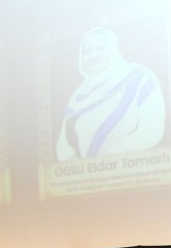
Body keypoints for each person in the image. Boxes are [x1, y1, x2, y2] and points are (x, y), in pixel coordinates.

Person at [55, 27, 165, 161]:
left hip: (134, 168)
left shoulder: (139, 77)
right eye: (88, 52)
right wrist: (78, 167)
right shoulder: (78, 96)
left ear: (114, 49)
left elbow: (151, 131)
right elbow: (64, 146)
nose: (94, 56)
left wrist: (109, 159)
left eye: (101, 48)